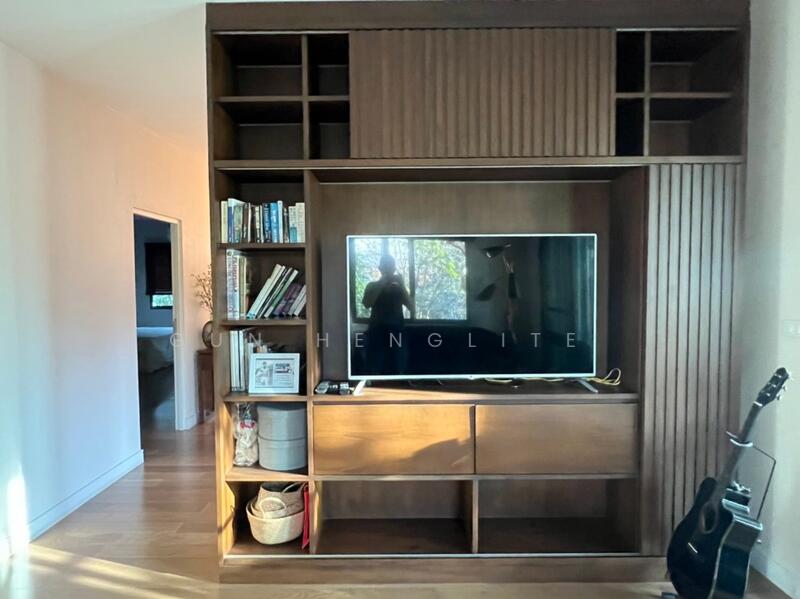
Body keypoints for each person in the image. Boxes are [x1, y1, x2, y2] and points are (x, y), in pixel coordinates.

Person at [362, 254, 413, 374]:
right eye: (386, 267)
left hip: (397, 332)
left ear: (394, 269)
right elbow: (367, 304)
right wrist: (381, 284)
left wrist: (403, 285)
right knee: (374, 367)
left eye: (391, 268)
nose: (389, 271)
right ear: (380, 268)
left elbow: (412, 307)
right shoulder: (372, 286)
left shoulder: (399, 289)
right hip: (376, 331)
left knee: (399, 367)